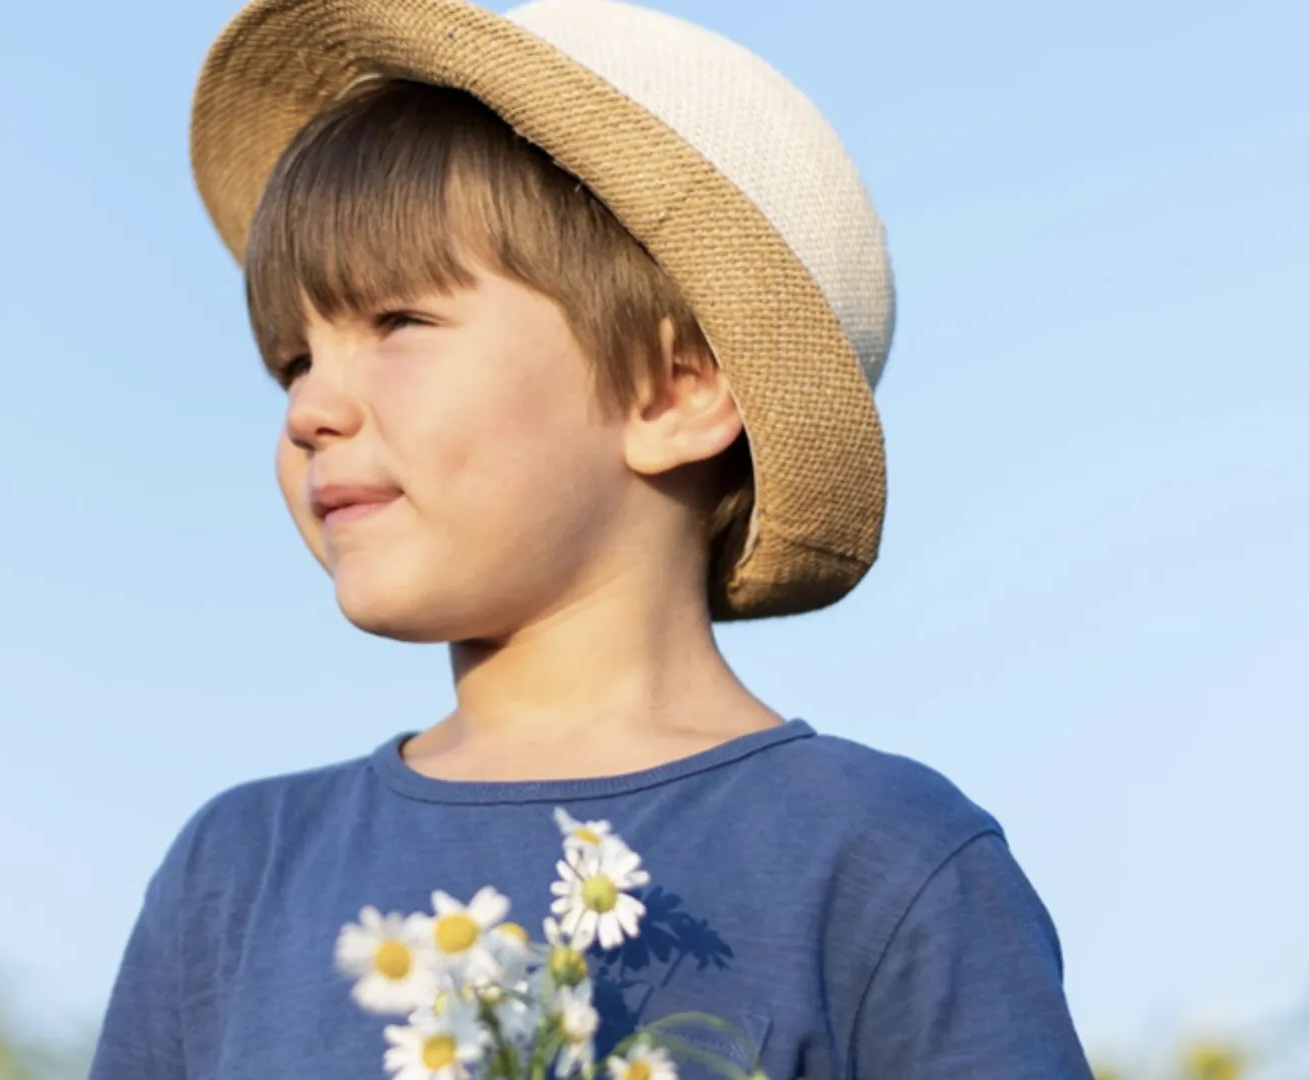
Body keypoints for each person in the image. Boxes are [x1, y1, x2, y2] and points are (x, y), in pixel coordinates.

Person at [88, 0, 1095, 1077]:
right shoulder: (236, 876)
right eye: (294, 359)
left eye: (398, 324)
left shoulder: (879, 859)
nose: (309, 409)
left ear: (675, 390)